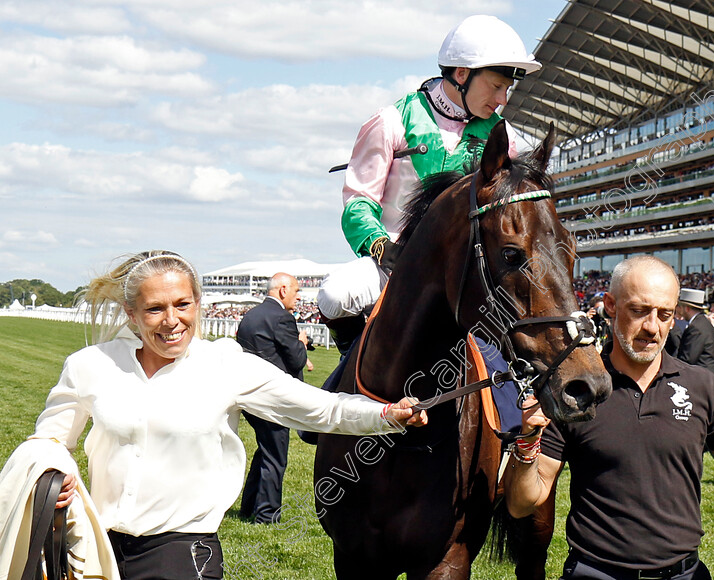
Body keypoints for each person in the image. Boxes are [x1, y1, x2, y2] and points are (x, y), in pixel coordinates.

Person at [28, 251, 427, 579]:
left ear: (197, 304)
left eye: (182, 304)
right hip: (96, 552)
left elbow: (320, 409)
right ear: (132, 315)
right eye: (155, 309)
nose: (172, 320)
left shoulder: (225, 366)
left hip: (183, 553)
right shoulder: (89, 365)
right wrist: (55, 473)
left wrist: (387, 414)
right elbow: (48, 441)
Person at [505, 256, 714, 579]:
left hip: (684, 574)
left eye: (665, 315)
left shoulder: (704, 388)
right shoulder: (576, 390)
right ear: (610, 305)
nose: (652, 327)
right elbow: (522, 504)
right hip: (596, 573)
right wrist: (528, 442)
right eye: (639, 311)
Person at [318, 14, 541, 353]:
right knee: (334, 294)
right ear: (462, 74)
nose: (503, 99)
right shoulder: (391, 120)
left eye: (507, 89)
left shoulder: (503, 136)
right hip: (394, 264)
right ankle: (351, 362)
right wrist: (381, 247)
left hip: (467, 275)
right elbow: (359, 200)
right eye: (496, 86)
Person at [236, 272, 310, 524]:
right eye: (297, 291)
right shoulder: (282, 319)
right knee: (275, 457)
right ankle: (267, 515)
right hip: (273, 397)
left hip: (249, 394)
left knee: (265, 451)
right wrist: (301, 342)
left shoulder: (251, 316)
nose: (298, 297)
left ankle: (248, 507)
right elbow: (297, 360)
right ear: (282, 290)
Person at [676, 288, 714, 376]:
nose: (679, 310)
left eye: (680, 307)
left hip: (703, 378)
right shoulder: (703, 322)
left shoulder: (696, 327)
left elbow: (688, 358)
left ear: (687, 308)